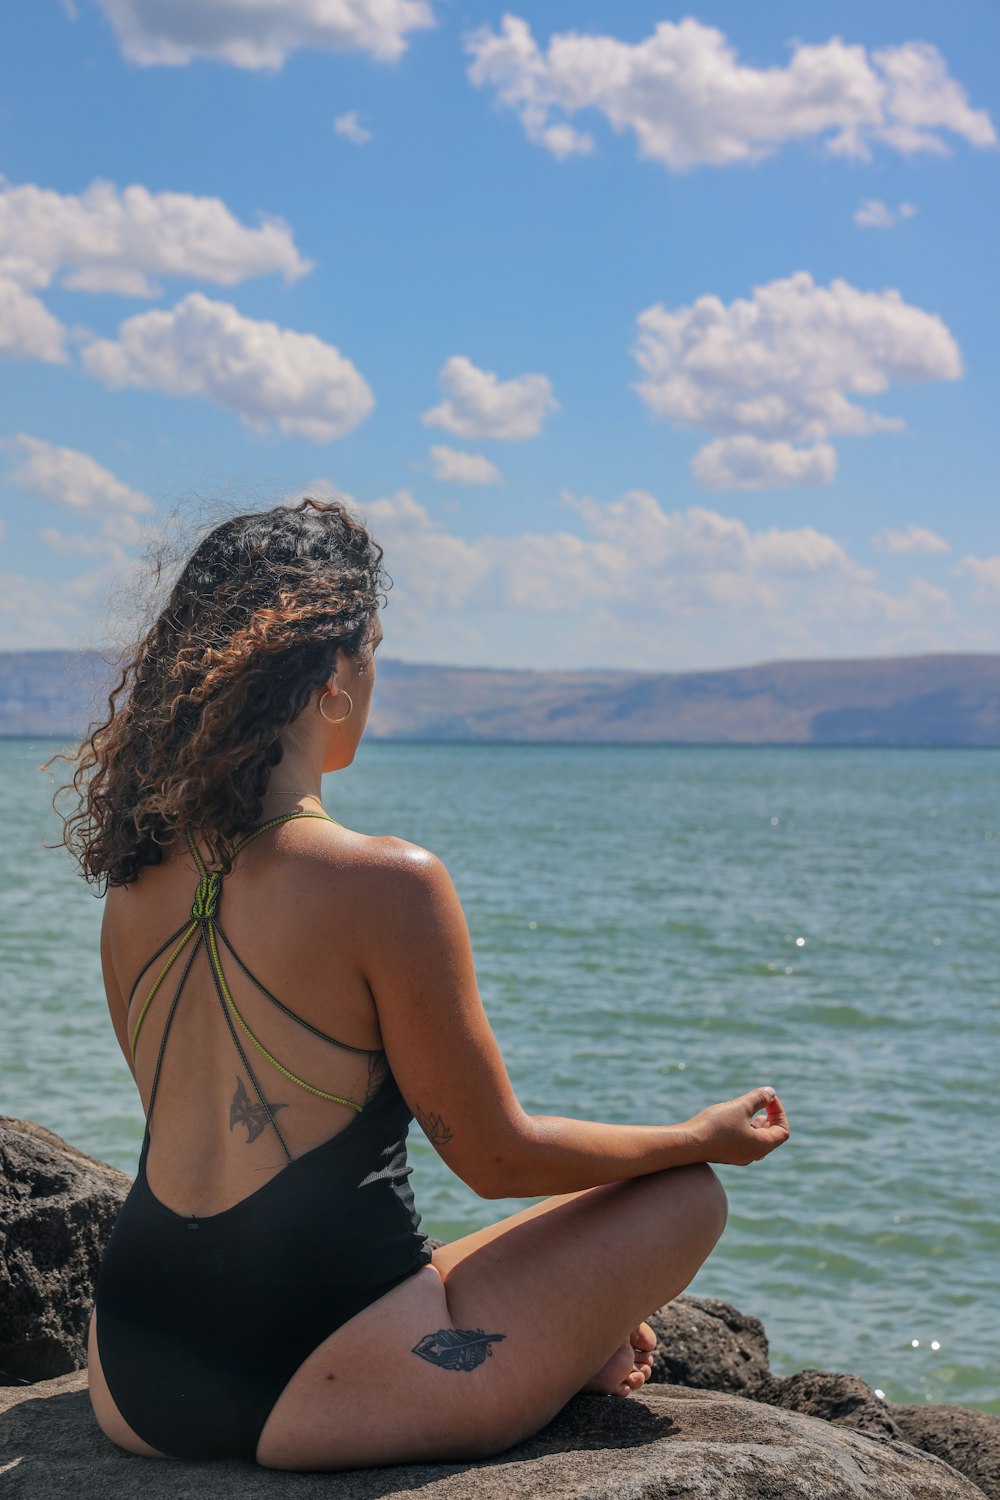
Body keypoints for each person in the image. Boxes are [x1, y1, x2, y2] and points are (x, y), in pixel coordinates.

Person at [55, 497, 790, 1471]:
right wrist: (701, 1137)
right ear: (328, 675)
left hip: (137, 1375)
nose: (375, 677)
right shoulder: (385, 881)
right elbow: (497, 1159)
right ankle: (563, 1346)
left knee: (434, 1249)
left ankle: (556, 1334)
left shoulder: (135, 887)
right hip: (311, 1381)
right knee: (684, 1196)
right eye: (374, 649)